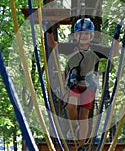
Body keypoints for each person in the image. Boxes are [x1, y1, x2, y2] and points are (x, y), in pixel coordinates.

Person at [46, 18, 119, 151]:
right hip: (73, 82)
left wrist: (117, 36)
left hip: (88, 84)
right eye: (80, 34)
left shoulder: (96, 49)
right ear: (76, 36)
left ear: (91, 36)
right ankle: (74, 126)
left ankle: (81, 145)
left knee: (84, 115)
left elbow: (113, 52)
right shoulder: (70, 47)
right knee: (71, 107)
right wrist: (49, 29)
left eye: (86, 34)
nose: (83, 36)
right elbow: (52, 44)